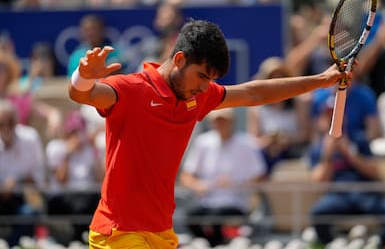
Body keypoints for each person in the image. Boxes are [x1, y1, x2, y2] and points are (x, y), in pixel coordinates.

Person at [68, 19, 350, 248]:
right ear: (179, 59)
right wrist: (83, 76)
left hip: (161, 231)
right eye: (202, 76)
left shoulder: (198, 96)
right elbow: (85, 95)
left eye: (211, 81)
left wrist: (320, 81)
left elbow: (255, 92)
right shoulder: (130, 89)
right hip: (118, 232)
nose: (205, 88)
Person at [308, 95, 385, 248]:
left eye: (336, 115)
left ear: (344, 118)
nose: (332, 119)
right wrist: (328, 156)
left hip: (364, 192)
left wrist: (350, 152)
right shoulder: (318, 149)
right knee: (317, 214)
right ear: (321, 120)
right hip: (338, 195)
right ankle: (336, 244)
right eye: (329, 115)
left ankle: (377, 243)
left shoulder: (359, 139)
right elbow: (319, 181)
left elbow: (374, 171)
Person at [180, 107, 266, 247]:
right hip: (207, 202)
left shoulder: (247, 144)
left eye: (224, 121)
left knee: (216, 218)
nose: (221, 125)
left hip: (236, 203)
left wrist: (237, 184)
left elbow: (260, 176)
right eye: (217, 122)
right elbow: (186, 176)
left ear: (232, 122)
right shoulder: (203, 142)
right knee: (192, 218)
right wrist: (198, 185)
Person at [45, 109, 104, 244]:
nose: (77, 137)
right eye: (74, 132)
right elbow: (62, 180)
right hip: (65, 196)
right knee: (80, 205)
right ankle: (80, 239)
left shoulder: (90, 150)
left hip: (87, 196)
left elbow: (100, 178)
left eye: (80, 132)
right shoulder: (57, 148)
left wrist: (95, 153)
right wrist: (67, 154)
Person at [247, 57, 311, 176]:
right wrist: (269, 141)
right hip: (267, 156)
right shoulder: (257, 108)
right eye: (272, 77)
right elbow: (253, 140)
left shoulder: (298, 103)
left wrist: (287, 140)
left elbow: (305, 135)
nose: (276, 81)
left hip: (294, 152)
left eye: (280, 77)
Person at [0, 99, 45, 246]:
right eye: (1, 124)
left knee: (30, 212)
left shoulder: (30, 138)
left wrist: (17, 181)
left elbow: (39, 179)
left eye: (10, 122)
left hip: (23, 197)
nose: (6, 128)